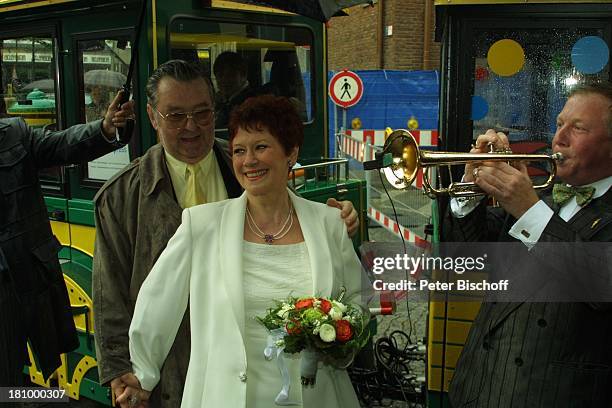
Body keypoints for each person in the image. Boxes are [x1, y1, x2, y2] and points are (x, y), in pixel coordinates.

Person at [92, 60, 359, 408]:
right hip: (175, 378)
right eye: (175, 115)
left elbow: (349, 294)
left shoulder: (246, 167)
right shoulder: (120, 196)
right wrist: (126, 374)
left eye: (202, 113)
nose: (191, 126)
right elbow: (110, 295)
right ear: (153, 116)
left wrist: (337, 222)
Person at [446, 82, 612, 407]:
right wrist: (470, 189)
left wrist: (528, 209)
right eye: (560, 124)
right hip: (477, 387)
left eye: (578, 128)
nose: (559, 138)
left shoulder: (533, 203)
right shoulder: (543, 195)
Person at [0, 91, 134, 392]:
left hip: (18, 281)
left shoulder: (14, 136)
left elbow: (61, 145)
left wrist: (105, 128)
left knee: (11, 376)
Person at [213, 51, 257, 128]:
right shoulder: (220, 101)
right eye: (220, 75)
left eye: (230, 75)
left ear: (244, 75)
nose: (225, 80)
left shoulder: (249, 103)